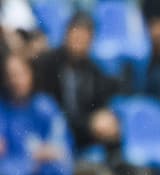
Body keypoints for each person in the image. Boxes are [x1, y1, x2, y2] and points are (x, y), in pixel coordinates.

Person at [32, 12, 120, 151]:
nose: (80, 40)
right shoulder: (46, 63)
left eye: (86, 37)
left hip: (83, 131)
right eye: (76, 34)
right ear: (66, 33)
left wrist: (106, 118)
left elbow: (100, 104)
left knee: (112, 129)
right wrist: (89, 124)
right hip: (54, 128)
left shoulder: (95, 71)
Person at [0, 53, 72, 175]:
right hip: (10, 170)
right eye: (11, 75)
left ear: (31, 73)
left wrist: (38, 157)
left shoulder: (45, 106)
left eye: (20, 74)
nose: (16, 81)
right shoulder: (2, 108)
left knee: (50, 172)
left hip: (41, 174)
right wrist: (31, 159)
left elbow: (60, 149)